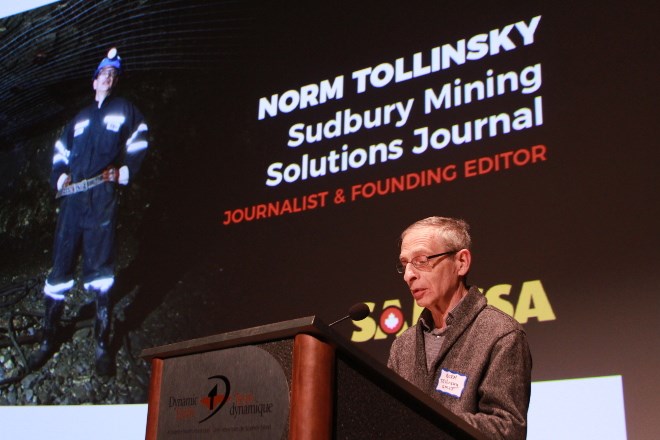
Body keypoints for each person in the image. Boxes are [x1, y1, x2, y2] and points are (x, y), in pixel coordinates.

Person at [29, 48, 149, 375]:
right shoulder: (80, 118)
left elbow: (140, 139)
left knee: (101, 270)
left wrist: (126, 171)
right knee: (60, 267)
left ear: (115, 81)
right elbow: (60, 149)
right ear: (94, 79)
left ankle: (101, 344)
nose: (108, 78)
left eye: (113, 75)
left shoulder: (125, 110)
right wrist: (59, 175)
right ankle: (48, 339)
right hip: (72, 201)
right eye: (103, 73)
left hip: (102, 198)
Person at [387, 217, 532, 439]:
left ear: (461, 262)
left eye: (421, 260)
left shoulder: (501, 334)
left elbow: (507, 429)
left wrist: (423, 421)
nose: (409, 275)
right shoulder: (402, 346)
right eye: (404, 264)